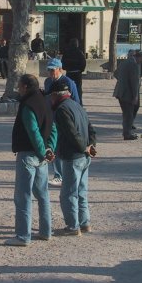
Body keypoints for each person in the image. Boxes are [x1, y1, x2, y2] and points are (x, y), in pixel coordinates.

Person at [6, 74, 57, 247]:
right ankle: (46, 231)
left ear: (26, 87)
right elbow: (53, 128)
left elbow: (33, 131)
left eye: (19, 86)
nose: (18, 89)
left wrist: (43, 151)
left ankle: (22, 236)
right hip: (42, 156)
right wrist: (50, 149)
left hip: (29, 155)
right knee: (43, 194)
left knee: (23, 196)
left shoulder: (28, 105)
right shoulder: (45, 101)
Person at [50, 81, 96, 236]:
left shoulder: (62, 110)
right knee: (81, 191)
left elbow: (71, 133)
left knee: (68, 193)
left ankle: (72, 227)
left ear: (55, 95)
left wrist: (83, 147)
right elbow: (91, 129)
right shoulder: (78, 106)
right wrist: (90, 146)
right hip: (85, 155)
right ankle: (85, 223)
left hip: (73, 156)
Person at [43, 58, 80, 187]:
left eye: (52, 70)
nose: (50, 73)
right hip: (51, 118)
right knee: (54, 145)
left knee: (64, 147)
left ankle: (65, 175)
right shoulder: (47, 82)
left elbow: (76, 102)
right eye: (49, 70)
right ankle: (58, 175)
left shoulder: (69, 82)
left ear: (60, 69)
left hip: (65, 118)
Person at [113, 50, 142, 140]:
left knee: (133, 109)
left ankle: (128, 126)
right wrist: (135, 96)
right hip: (127, 92)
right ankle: (127, 133)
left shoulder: (125, 62)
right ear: (138, 57)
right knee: (128, 113)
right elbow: (134, 82)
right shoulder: (133, 64)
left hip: (122, 91)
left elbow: (116, 73)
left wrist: (122, 79)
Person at [61, 38, 86, 105]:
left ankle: (69, 103)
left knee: (68, 88)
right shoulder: (79, 52)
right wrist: (81, 69)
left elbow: (63, 62)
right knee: (78, 89)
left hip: (69, 72)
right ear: (77, 44)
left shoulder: (66, 52)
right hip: (77, 73)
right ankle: (79, 103)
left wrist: (65, 68)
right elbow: (83, 62)